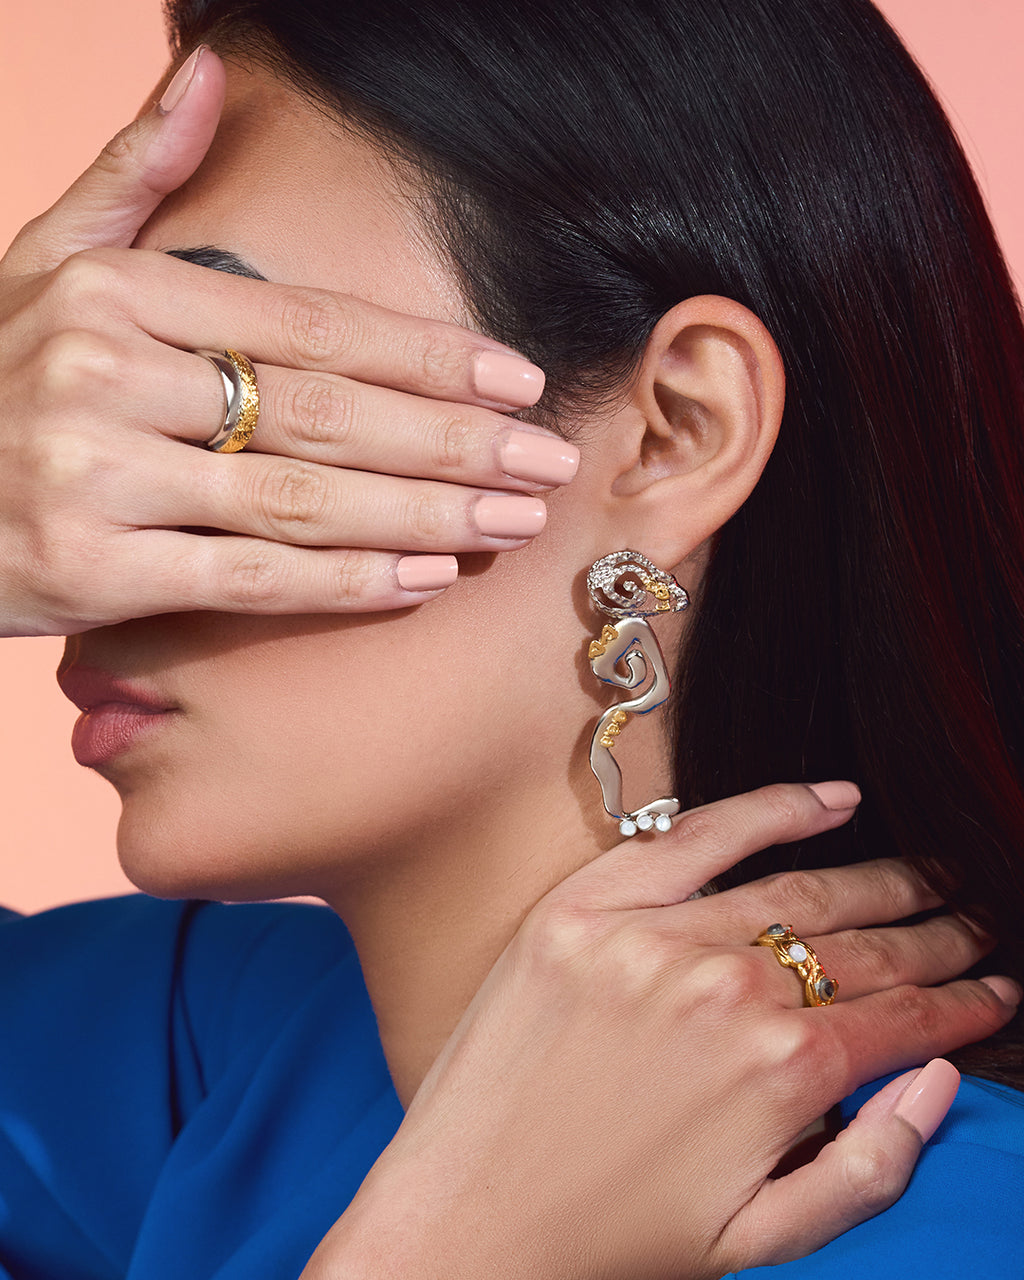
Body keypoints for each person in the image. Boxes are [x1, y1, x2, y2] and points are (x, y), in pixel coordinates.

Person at [1, 1, 1022, 1277]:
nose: (76, 537)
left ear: (676, 432)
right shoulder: (228, 1063)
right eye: (56, 413)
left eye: (204, 395)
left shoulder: (951, 1225)